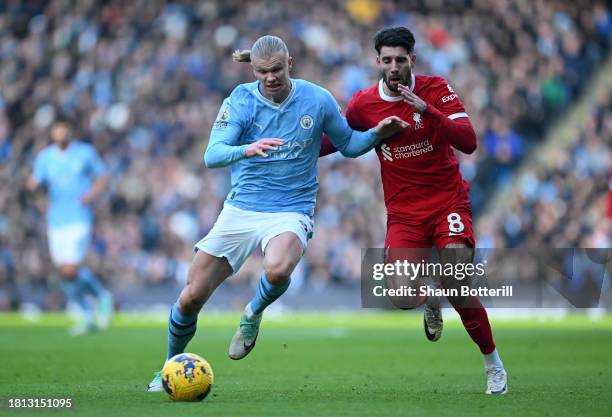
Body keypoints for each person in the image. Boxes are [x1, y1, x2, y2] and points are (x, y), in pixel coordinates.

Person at [147, 35, 408, 391]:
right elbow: (212, 154)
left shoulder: (316, 99)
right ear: (253, 70)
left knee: (279, 266)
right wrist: (246, 148)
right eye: (262, 72)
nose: (269, 78)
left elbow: (348, 145)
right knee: (191, 297)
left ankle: (252, 313)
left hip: (291, 208)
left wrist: (377, 134)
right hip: (241, 209)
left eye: (276, 70)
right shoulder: (240, 100)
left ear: (291, 63)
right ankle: (167, 366)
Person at [320, 26, 508, 395]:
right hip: (404, 214)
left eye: (400, 60)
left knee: (457, 274)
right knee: (401, 296)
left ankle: (493, 364)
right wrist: (298, 144)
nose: (393, 67)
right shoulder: (363, 105)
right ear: (377, 62)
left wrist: (430, 112)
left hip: (447, 202)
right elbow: (336, 141)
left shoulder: (436, 89)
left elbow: (468, 142)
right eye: (386, 60)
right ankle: (430, 297)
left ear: (413, 61)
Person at [27, 116, 113, 336]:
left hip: (79, 217)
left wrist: (91, 194)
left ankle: (102, 296)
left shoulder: (84, 153)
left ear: (70, 131)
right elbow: (36, 183)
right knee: (63, 271)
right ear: (52, 132)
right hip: (56, 219)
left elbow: (102, 177)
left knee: (70, 268)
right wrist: (34, 190)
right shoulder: (45, 158)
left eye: (64, 129)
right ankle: (86, 315)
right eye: (57, 130)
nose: (61, 134)